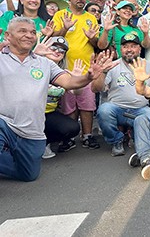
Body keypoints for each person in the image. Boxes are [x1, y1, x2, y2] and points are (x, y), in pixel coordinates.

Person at [0, 17, 111, 181]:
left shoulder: (44, 63)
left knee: (29, 175)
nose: (29, 35)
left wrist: (88, 76)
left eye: (32, 32)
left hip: (32, 131)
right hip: (5, 124)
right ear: (8, 36)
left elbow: (68, 82)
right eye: (22, 31)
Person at [52, 0, 101, 149]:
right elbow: (53, 39)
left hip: (86, 69)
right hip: (64, 69)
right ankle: (70, 138)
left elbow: (96, 43)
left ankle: (87, 136)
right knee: (69, 105)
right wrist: (65, 28)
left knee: (87, 105)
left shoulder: (91, 18)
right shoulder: (60, 15)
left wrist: (92, 38)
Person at [92, 34, 150, 157]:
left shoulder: (149, 65)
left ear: (139, 49)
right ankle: (117, 140)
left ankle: (134, 135)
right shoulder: (112, 66)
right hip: (117, 108)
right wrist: (103, 72)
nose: (129, 49)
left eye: (133, 46)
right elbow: (95, 89)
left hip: (140, 109)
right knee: (104, 110)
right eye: (125, 46)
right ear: (120, 49)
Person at [42, 36, 81, 159]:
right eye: (53, 47)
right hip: (29, 113)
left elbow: (76, 92)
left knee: (72, 128)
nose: (57, 51)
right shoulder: (33, 65)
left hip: (48, 114)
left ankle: (45, 142)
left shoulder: (63, 73)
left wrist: (76, 80)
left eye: (62, 51)